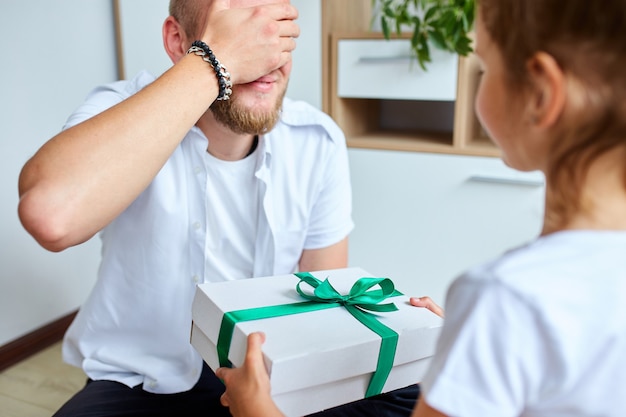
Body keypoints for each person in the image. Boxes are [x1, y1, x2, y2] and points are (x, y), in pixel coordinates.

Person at [18, 0, 431, 416]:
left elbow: (324, 300)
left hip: (266, 371)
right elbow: (51, 215)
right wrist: (218, 63)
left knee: (419, 393)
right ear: (179, 41)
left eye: (276, 35)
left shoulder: (317, 139)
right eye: (240, 33)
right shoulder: (122, 110)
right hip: (141, 380)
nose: (263, 59)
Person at [215, 0, 626, 416]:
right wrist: (470, 351)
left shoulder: (503, 299)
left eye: (484, 64)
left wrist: (255, 407)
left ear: (540, 94)